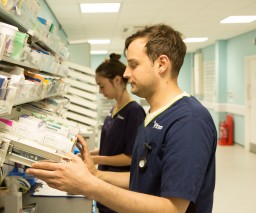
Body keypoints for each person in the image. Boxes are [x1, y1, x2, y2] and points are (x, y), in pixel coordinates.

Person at [27, 24, 217, 213]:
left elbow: (172, 209)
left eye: (134, 65)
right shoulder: (153, 115)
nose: (126, 73)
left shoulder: (189, 122)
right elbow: (141, 178)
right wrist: (95, 174)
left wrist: (89, 186)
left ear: (161, 64)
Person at [90, 53, 145, 213]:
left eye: (102, 85)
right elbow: (110, 148)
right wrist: (88, 155)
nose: (100, 91)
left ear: (117, 80)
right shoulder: (114, 109)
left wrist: (95, 160)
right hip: (105, 182)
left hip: (120, 186)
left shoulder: (134, 112)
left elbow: (130, 157)